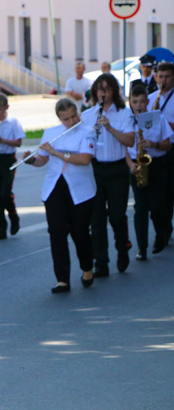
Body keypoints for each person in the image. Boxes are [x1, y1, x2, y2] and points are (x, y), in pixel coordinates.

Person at [20, 99, 96, 293]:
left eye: (73, 116)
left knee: (79, 232)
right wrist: (31, 160)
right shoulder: (51, 133)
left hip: (80, 189)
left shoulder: (88, 131)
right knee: (56, 232)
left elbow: (85, 159)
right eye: (66, 119)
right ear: (59, 119)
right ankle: (62, 279)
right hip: (55, 187)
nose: (71, 122)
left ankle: (87, 268)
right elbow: (43, 160)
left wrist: (57, 153)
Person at [81, 73, 134, 276]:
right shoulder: (87, 115)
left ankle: (122, 248)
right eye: (100, 89)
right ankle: (101, 261)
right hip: (95, 169)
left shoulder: (124, 113)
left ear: (113, 91)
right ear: (95, 91)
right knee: (97, 218)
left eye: (107, 89)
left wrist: (109, 127)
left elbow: (129, 141)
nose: (103, 92)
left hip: (117, 169)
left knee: (117, 216)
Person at [127, 84, 172, 260]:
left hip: (157, 164)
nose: (138, 105)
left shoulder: (157, 118)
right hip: (137, 165)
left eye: (141, 102)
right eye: (134, 102)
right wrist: (130, 163)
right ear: (130, 102)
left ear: (148, 101)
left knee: (157, 205)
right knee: (140, 208)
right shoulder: (128, 120)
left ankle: (161, 236)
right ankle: (142, 248)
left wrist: (153, 144)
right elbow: (123, 147)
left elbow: (168, 145)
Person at [0, 94, 24, 239]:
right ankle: (1, 227)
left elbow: (18, 143)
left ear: (6, 107)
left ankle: (13, 217)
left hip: (8, 159)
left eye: (0, 109)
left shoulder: (13, 122)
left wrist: (2, 140)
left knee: (5, 193)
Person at [147, 61, 174, 251]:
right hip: (155, 152)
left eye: (167, 77)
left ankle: (165, 228)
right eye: (160, 76)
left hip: (172, 150)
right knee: (156, 198)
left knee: (169, 194)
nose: (163, 80)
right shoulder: (149, 99)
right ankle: (161, 232)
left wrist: (165, 126)